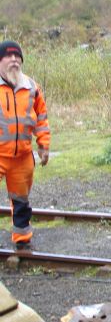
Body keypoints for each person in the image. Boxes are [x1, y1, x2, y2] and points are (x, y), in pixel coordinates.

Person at [0, 41, 50, 250]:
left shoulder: (31, 87)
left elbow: (41, 118)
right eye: (8, 56)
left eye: (17, 57)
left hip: (22, 157)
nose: (14, 60)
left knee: (21, 200)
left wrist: (44, 145)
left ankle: (22, 241)